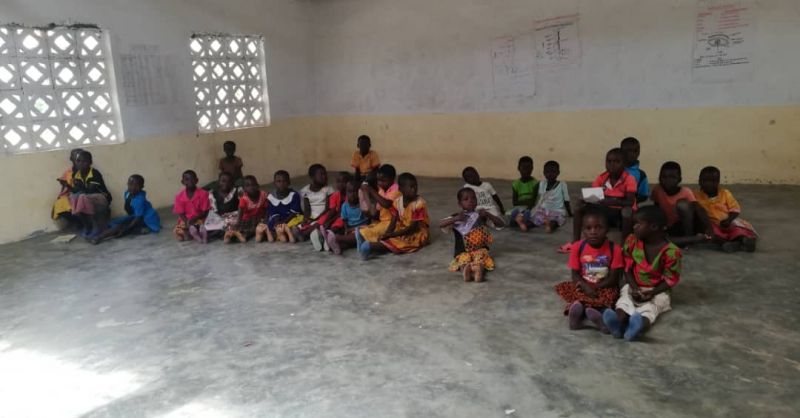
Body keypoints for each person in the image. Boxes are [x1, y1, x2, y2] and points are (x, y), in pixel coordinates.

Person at [603, 206, 682, 341]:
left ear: (654, 227)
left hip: (658, 290)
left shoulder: (671, 252)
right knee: (624, 303)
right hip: (634, 284)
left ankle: (637, 327)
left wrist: (652, 292)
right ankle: (617, 323)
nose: (634, 227)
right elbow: (627, 268)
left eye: (638, 224)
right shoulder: (632, 241)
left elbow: (670, 280)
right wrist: (633, 286)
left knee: (649, 310)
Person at [554, 208, 623, 330]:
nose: (593, 232)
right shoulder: (577, 247)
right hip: (583, 284)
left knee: (610, 296)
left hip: (604, 285)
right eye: (588, 228)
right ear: (583, 230)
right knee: (576, 292)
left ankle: (590, 313)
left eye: (598, 227)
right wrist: (586, 287)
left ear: (607, 230)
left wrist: (595, 287)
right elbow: (575, 275)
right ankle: (581, 315)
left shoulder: (615, 249)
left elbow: (613, 278)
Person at [565, 148, 636, 252]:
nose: (612, 165)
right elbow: (594, 194)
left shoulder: (629, 179)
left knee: (627, 212)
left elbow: (630, 201)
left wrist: (611, 201)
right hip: (603, 209)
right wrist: (585, 198)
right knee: (579, 206)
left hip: (619, 212)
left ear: (624, 164)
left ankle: (624, 247)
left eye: (617, 162)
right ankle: (575, 243)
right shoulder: (602, 178)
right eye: (609, 161)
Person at [357, 173, 430, 260]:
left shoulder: (419, 204)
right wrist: (387, 234)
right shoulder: (397, 202)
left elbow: (413, 228)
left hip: (417, 232)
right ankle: (373, 245)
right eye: (410, 187)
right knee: (385, 237)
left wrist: (392, 234)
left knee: (401, 243)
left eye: (415, 186)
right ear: (401, 189)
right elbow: (393, 220)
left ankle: (371, 246)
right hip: (402, 228)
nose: (414, 189)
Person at [440, 187, 504, 282]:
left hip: (480, 250)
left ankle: (478, 272)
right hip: (463, 251)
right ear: (460, 203)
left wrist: (488, 215)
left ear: (477, 200)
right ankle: (466, 272)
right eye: (466, 199)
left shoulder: (481, 215)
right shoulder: (456, 216)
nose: (470, 201)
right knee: (463, 261)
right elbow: (441, 224)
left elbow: (501, 224)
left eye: (473, 198)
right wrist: (456, 219)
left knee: (480, 261)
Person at [694, 166, 757, 253]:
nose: (708, 184)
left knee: (737, 230)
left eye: (712, 181)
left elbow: (735, 209)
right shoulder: (696, 196)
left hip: (728, 222)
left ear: (718, 182)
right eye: (705, 181)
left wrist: (729, 220)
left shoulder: (725, 193)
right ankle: (730, 244)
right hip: (713, 224)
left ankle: (744, 240)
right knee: (712, 234)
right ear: (699, 182)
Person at [650, 162, 708, 247]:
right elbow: (656, 208)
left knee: (682, 204)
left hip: (688, 225)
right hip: (672, 227)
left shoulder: (686, 192)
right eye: (663, 177)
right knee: (658, 239)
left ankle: (689, 237)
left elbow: (698, 209)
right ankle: (692, 240)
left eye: (672, 177)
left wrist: (709, 229)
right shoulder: (657, 190)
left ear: (679, 179)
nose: (667, 180)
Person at [90, 174, 161, 244]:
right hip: (135, 215)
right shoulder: (127, 193)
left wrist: (127, 228)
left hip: (146, 218)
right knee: (116, 222)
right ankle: (128, 230)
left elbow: (138, 217)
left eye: (136, 185)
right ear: (127, 184)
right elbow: (128, 207)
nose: (133, 187)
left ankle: (99, 237)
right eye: (130, 184)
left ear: (142, 187)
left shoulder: (139, 200)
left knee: (121, 226)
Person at [355, 164, 401, 248]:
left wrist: (371, 190)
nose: (380, 183)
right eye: (378, 180)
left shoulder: (396, 190)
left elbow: (386, 204)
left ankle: (341, 239)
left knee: (368, 232)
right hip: (382, 221)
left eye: (383, 180)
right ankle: (336, 240)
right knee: (365, 229)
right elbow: (377, 211)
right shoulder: (382, 190)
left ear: (392, 179)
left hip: (393, 223)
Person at [70, 150, 112, 238]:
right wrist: (72, 187)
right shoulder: (75, 174)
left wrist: (79, 187)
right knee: (73, 197)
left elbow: (91, 190)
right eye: (78, 161)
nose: (80, 164)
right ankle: (87, 226)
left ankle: (96, 226)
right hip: (86, 198)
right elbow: (75, 190)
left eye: (84, 161)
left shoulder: (95, 173)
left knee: (82, 197)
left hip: (101, 198)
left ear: (90, 162)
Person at [326, 178, 371, 255]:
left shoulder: (362, 204)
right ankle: (335, 245)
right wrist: (347, 229)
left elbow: (368, 219)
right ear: (346, 193)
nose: (352, 194)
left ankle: (335, 239)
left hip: (362, 228)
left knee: (354, 239)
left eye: (355, 192)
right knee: (349, 242)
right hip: (350, 229)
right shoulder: (344, 206)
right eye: (350, 192)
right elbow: (344, 220)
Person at [257, 170, 303, 243]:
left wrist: (283, 222)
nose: (281, 183)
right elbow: (273, 211)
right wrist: (277, 222)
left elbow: (294, 212)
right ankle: (280, 234)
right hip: (278, 219)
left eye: (284, 181)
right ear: (274, 183)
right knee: (270, 226)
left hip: (291, 218)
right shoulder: (272, 197)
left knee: (295, 228)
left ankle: (287, 234)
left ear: (289, 182)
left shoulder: (294, 195)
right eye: (278, 181)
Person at [310, 171, 349, 252]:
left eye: (343, 182)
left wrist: (330, 221)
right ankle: (319, 233)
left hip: (345, 216)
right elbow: (332, 211)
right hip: (337, 215)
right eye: (338, 182)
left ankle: (326, 237)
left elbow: (341, 213)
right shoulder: (335, 195)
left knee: (338, 223)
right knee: (324, 219)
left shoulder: (351, 195)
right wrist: (326, 221)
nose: (340, 184)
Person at [532, 160, 572, 233]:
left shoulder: (562, 184)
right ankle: (541, 222)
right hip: (544, 210)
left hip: (557, 211)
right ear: (544, 173)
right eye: (547, 172)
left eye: (553, 172)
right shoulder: (542, 184)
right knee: (535, 216)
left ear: (558, 173)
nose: (550, 174)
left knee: (557, 220)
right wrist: (536, 208)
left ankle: (550, 226)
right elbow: (541, 198)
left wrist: (570, 213)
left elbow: (566, 200)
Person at [296, 164, 333, 241]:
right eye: (321, 174)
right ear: (312, 177)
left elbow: (327, 209)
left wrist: (317, 219)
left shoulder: (328, 190)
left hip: (323, 216)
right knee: (302, 224)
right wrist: (306, 218)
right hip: (312, 217)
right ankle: (309, 233)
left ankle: (304, 235)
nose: (324, 176)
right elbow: (307, 209)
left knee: (319, 224)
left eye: (325, 174)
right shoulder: (305, 191)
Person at [226, 175, 267, 243]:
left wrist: (265, 219)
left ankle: (239, 235)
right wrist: (238, 222)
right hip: (247, 220)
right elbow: (240, 210)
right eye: (248, 185)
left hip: (258, 218)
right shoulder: (244, 199)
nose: (251, 187)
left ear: (257, 185)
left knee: (259, 228)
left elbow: (266, 208)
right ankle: (235, 235)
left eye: (253, 185)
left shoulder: (263, 195)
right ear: (244, 188)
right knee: (247, 231)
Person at [172, 170, 210, 243]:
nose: (190, 181)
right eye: (187, 179)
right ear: (183, 182)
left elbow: (205, 211)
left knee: (205, 225)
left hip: (200, 218)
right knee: (178, 229)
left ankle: (198, 233)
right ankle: (192, 232)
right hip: (186, 220)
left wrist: (195, 218)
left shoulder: (203, 194)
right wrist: (187, 222)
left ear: (196, 180)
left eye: (192, 179)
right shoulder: (179, 196)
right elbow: (181, 213)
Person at [203, 172, 242, 241]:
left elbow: (242, 206)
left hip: (235, 216)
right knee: (208, 224)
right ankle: (225, 231)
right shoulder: (212, 194)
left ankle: (222, 232)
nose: (226, 183)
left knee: (239, 222)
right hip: (220, 217)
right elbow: (214, 211)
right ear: (218, 182)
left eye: (229, 181)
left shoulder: (238, 190)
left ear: (233, 183)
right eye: (223, 181)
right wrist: (223, 220)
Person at [52, 148, 83, 230]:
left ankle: (82, 223)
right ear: (71, 159)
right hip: (69, 194)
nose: (77, 158)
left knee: (74, 200)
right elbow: (64, 186)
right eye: (74, 156)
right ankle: (76, 222)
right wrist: (60, 194)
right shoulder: (68, 172)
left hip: (81, 194)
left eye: (79, 156)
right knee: (59, 204)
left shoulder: (86, 170)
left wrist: (68, 186)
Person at [507, 156, 538, 231]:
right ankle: (521, 220)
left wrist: (525, 202)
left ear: (532, 169)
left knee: (533, 213)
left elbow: (533, 202)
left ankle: (522, 221)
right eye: (524, 168)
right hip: (520, 207)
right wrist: (527, 201)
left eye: (529, 168)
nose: (526, 171)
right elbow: (514, 202)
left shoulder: (535, 183)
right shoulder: (516, 184)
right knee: (512, 212)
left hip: (531, 207)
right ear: (518, 168)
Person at [620, 136, 649, 203]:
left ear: (639, 152)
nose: (631, 154)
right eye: (628, 151)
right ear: (621, 151)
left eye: (635, 151)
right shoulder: (614, 169)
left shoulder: (641, 174)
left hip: (630, 209)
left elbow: (644, 195)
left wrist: (631, 200)